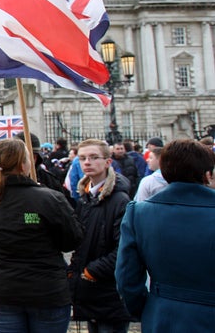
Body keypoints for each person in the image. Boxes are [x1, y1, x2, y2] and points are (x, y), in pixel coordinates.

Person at [0, 139, 83, 333]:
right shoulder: (50, 198)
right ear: (24, 164)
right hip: (47, 291)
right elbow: (72, 240)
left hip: (3, 291)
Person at [116, 139, 215, 332]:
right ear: (207, 174)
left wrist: (147, 309)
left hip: (162, 315)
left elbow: (126, 278)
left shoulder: (140, 213)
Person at [68, 139, 132, 333]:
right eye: (83, 158)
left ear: (107, 162)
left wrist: (91, 272)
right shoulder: (85, 197)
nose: (87, 162)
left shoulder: (119, 199)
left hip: (108, 290)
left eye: (94, 157)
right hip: (89, 290)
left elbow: (123, 249)